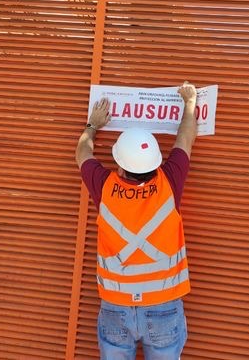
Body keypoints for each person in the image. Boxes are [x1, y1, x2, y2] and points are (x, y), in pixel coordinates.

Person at [76, 81, 198, 360]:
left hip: (115, 308)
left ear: (119, 164)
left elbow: (82, 152)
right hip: (163, 307)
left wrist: (93, 125)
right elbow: (185, 138)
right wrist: (189, 101)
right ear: (156, 162)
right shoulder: (170, 182)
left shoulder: (104, 186)